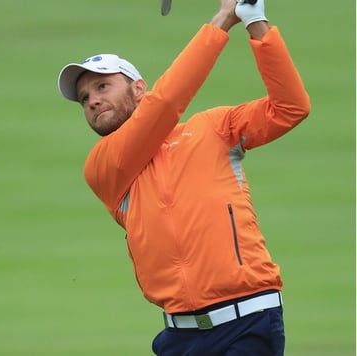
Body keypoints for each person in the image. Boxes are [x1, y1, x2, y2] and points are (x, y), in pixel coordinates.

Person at [56, 0, 309, 354]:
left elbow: (290, 107)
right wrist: (222, 20)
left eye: (102, 87)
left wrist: (255, 21)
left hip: (248, 321)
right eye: (84, 98)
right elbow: (165, 104)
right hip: (180, 338)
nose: (92, 101)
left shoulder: (214, 128)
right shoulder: (103, 166)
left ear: (138, 89)